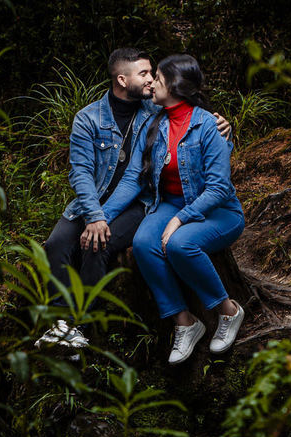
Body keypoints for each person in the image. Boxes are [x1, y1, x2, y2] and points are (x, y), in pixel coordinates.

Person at [37, 48, 231, 349]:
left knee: (98, 245)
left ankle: (87, 328)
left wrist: (223, 130)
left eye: (154, 74)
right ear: (122, 79)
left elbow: (193, 121)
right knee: (58, 243)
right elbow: (81, 174)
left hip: (142, 202)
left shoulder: (156, 113)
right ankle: (62, 325)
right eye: (144, 74)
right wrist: (95, 216)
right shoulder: (88, 118)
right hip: (94, 201)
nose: (152, 80)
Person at [98, 54, 245, 364]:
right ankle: (185, 323)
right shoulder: (156, 124)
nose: (153, 84)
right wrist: (100, 217)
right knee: (143, 243)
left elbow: (218, 188)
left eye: (160, 81)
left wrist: (180, 219)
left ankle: (227, 311)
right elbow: (132, 182)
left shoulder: (208, 126)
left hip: (219, 211)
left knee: (181, 244)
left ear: (176, 87)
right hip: (172, 204)